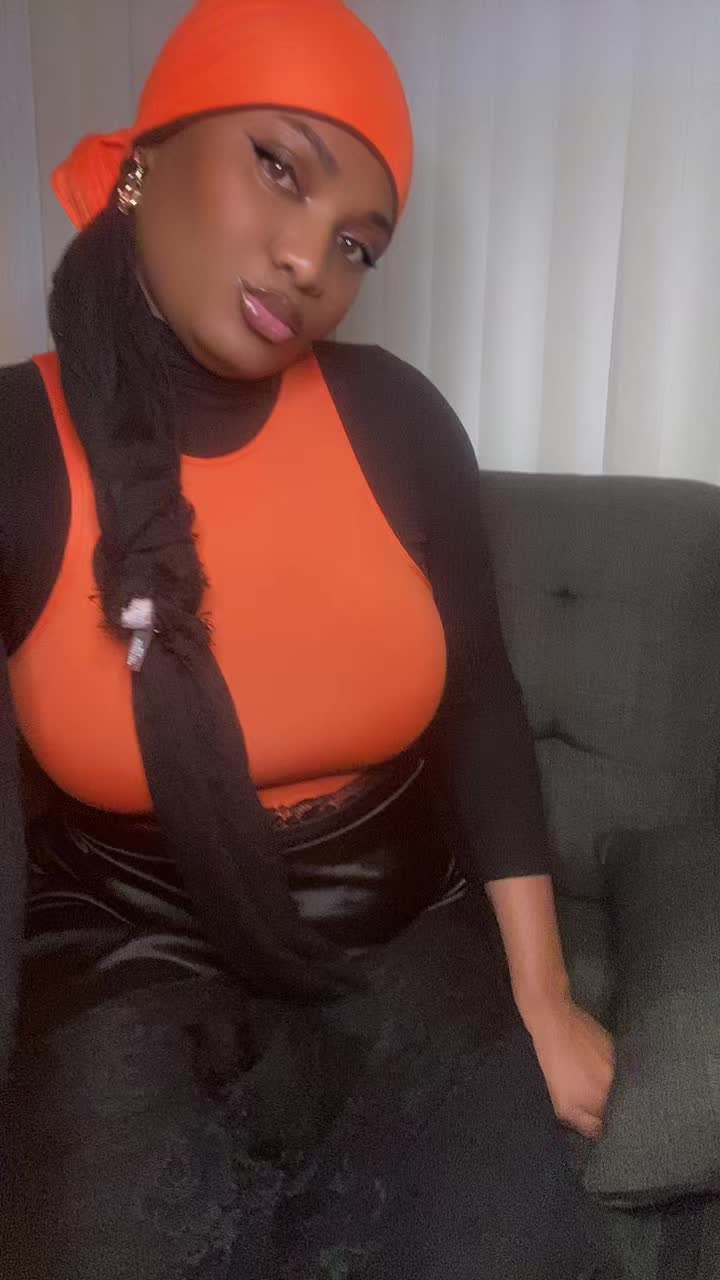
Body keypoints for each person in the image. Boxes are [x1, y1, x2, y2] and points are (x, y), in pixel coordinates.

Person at [0, 1, 621, 1276]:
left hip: (401, 933)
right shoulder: (17, 439)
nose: (307, 261)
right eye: (279, 167)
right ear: (146, 157)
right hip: (128, 949)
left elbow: (479, 704)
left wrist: (545, 996)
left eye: (355, 242)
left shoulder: (397, 417)